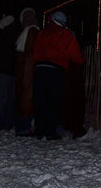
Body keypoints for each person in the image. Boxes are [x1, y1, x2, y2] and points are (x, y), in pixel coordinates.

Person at [33, 11, 84, 140]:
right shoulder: (65, 34)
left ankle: (40, 129)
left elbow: (35, 51)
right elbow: (75, 54)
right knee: (53, 100)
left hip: (39, 68)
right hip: (56, 69)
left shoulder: (42, 33)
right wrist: (80, 61)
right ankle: (50, 131)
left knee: (41, 100)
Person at [14, 7, 39, 136]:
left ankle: (22, 126)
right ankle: (24, 127)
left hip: (23, 71)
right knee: (27, 101)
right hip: (29, 71)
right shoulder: (33, 32)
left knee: (23, 100)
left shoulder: (23, 33)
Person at [0, 15, 18, 132]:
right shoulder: (16, 35)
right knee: (10, 99)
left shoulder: (0, 35)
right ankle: (7, 123)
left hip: (3, 70)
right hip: (12, 71)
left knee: (1, 99)